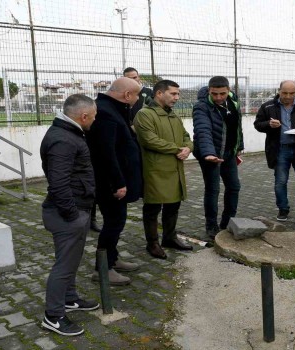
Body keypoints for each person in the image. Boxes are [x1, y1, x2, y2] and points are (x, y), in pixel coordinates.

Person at [40, 94, 99, 336]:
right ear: (83, 116)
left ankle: (70, 299)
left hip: (74, 210)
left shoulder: (69, 133)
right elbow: (59, 184)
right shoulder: (63, 139)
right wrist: (73, 215)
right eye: (93, 117)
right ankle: (53, 316)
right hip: (66, 214)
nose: (94, 121)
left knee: (71, 261)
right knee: (63, 266)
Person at [87, 77, 143, 286]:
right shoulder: (105, 112)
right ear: (127, 95)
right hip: (110, 184)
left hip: (115, 180)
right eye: (136, 95)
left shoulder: (112, 108)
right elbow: (105, 154)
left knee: (117, 222)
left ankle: (113, 258)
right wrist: (117, 183)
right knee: (113, 223)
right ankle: (102, 269)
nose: (138, 99)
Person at [134, 80, 194, 259]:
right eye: (173, 94)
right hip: (155, 170)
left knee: (173, 205)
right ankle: (152, 243)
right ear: (159, 93)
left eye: (178, 94)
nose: (177, 97)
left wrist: (188, 147)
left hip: (175, 169)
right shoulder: (144, 114)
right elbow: (149, 140)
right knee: (152, 208)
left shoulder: (173, 115)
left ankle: (169, 237)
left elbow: (185, 136)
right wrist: (178, 149)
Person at [254, 80, 295, 223]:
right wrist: (268, 124)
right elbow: (258, 124)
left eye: (291, 93)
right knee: (280, 182)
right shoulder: (268, 106)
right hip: (280, 150)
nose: (288, 96)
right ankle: (283, 209)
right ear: (279, 91)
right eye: (285, 93)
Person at [192, 76, 244, 240]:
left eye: (222, 93)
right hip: (210, 156)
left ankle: (228, 221)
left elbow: (236, 127)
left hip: (228, 154)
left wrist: (239, 146)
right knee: (213, 190)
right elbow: (203, 130)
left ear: (229, 90)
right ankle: (211, 226)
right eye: (214, 94)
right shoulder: (202, 106)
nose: (218, 97)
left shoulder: (233, 102)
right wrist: (208, 153)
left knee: (234, 187)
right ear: (209, 91)